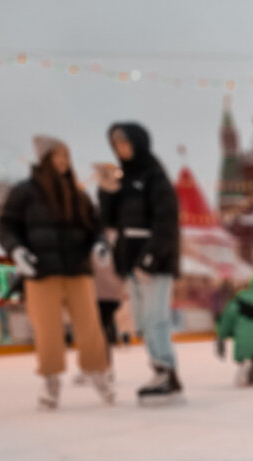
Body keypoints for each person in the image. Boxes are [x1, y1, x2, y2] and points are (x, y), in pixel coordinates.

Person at [0, 135, 113, 409]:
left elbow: (95, 227)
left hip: (77, 271)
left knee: (90, 328)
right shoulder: (24, 192)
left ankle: (97, 372)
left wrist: (100, 245)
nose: (63, 161)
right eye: (57, 156)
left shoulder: (78, 194)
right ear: (45, 160)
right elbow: (6, 227)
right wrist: (16, 250)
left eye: (66, 156)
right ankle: (51, 379)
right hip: (41, 272)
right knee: (47, 330)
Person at [97, 122, 183, 403]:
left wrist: (149, 258)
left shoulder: (155, 177)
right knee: (143, 320)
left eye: (125, 142)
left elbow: (166, 223)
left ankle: (167, 372)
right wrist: (106, 191)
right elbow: (109, 221)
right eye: (116, 144)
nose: (121, 149)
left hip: (154, 262)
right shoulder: (122, 181)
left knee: (157, 318)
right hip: (130, 262)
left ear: (138, 142)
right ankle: (157, 370)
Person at [91, 245, 124, 372]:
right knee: (104, 325)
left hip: (99, 291)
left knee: (99, 328)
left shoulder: (98, 239)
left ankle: (102, 366)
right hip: (112, 291)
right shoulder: (115, 237)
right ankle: (105, 365)